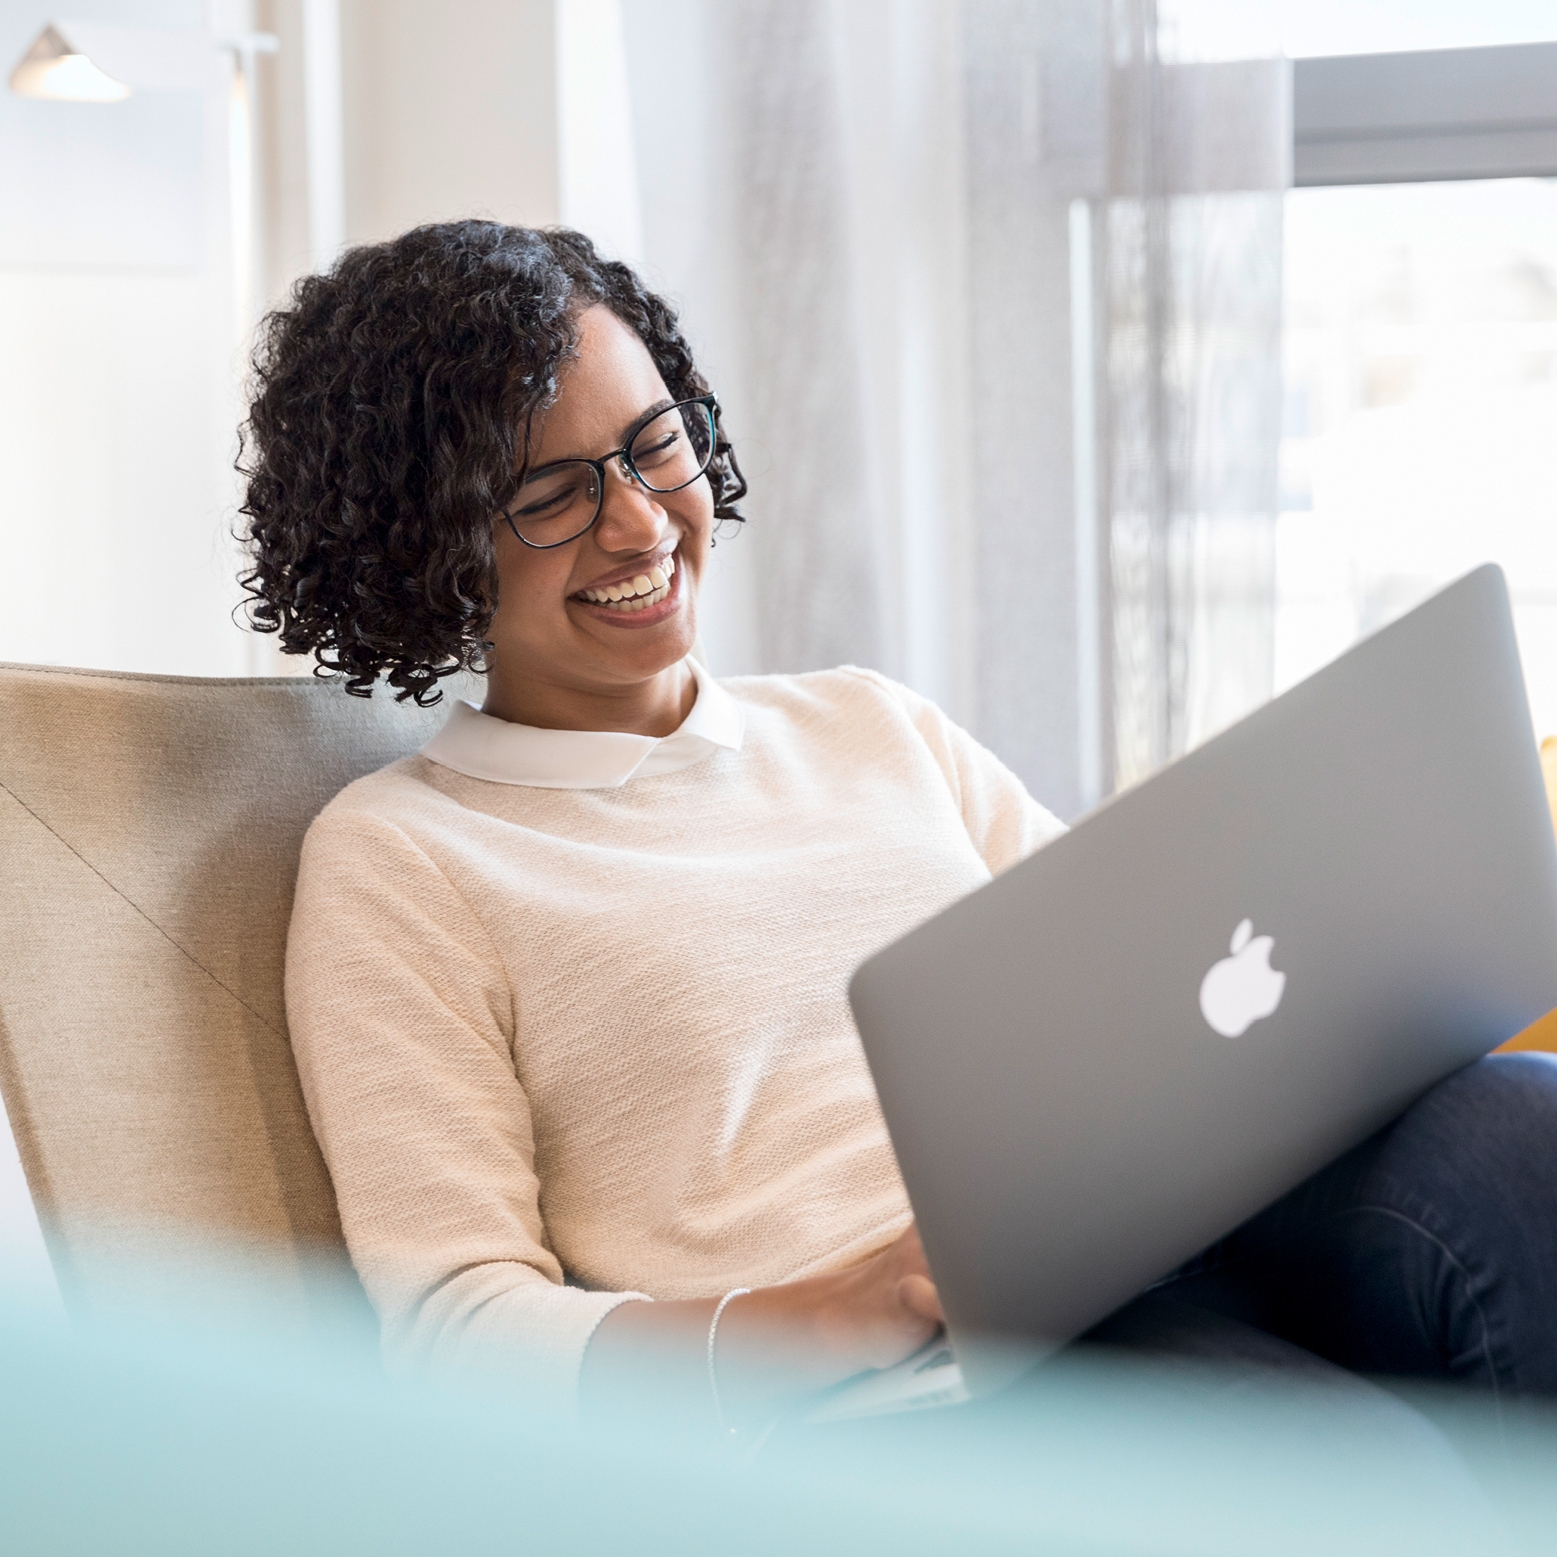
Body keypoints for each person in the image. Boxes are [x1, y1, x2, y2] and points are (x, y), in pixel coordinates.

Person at [243, 221, 1557, 1439]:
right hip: (908, 1394)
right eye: (550, 495)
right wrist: (820, 1314)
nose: (639, 521)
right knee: (1380, 1476)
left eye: (654, 446)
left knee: (1517, 1128)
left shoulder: (863, 721)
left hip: (1142, 1236)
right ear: (424, 550)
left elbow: (1146, 987)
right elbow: (458, 1331)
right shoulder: (403, 857)